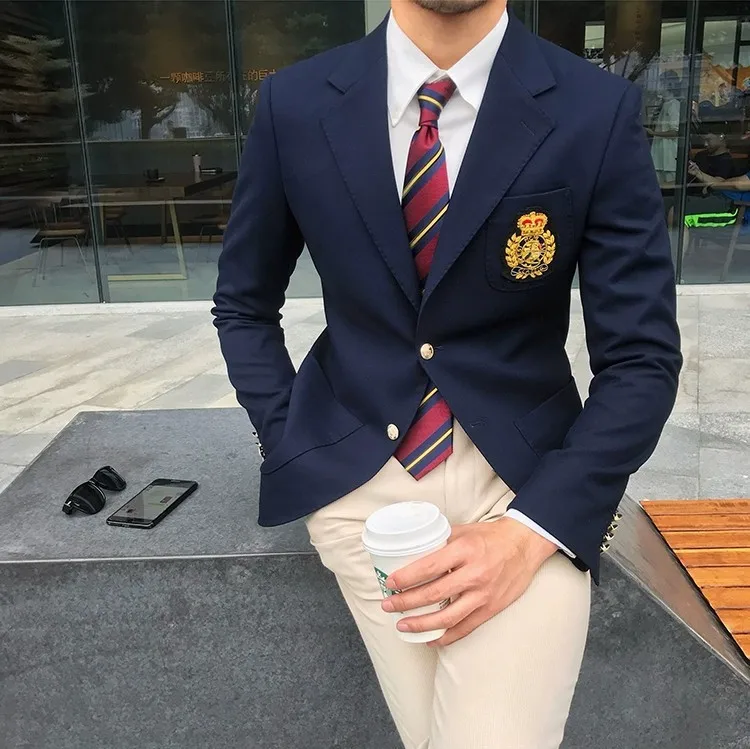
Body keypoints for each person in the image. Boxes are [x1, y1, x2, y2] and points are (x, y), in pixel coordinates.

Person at [212, 1, 682, 746]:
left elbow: (641, 359)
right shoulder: (294, 105)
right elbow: (243, 304)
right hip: (359, 489)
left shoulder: (594, 109)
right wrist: (289, 435)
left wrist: (533, 528)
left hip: (522, 487)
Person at [646, 70, 682, 184]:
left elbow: (675, 132)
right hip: (659, 157)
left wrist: (653, 133)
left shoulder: (674, 105)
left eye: (660, 83)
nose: (658, 86)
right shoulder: (663, 104)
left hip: (669, 158)